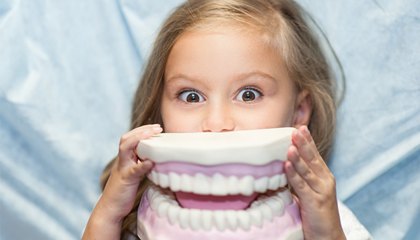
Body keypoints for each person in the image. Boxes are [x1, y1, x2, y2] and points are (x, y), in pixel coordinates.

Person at [83, 0, 371, 239]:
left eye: (248, 94)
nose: (217, 123)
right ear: (160, 112)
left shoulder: (326, 219)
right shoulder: (137, 219)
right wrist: (108, 215)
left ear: (298, 113)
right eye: (191, 96)